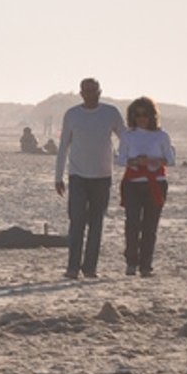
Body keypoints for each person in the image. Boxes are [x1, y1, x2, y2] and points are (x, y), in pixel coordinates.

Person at [55, 77, 126, 279]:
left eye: (93, 91)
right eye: (86, 91)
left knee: (96, 223)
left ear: (99, 92)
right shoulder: (72, 114)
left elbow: (125, 137)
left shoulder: (110, 113)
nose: (90, 94)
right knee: (76, 221)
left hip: (102, 176)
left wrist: (127, 160)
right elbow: (63, 147)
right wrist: (58, 177)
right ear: (81, 93)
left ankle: (90, 268)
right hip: (77, 175)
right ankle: (72, 267)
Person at [117, 96, 175, 277]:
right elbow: (120, 160)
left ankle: (146, 265)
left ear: (152, 116)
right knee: (132, 224)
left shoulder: (161, 136)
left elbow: (171, 160)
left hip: (155, 184)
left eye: (145, 114)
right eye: (137, 114)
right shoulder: (128, 135)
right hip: (132, 184)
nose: (141, 118)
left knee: (150, 227)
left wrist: (154, 161)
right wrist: (134, 161)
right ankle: (131, 261)